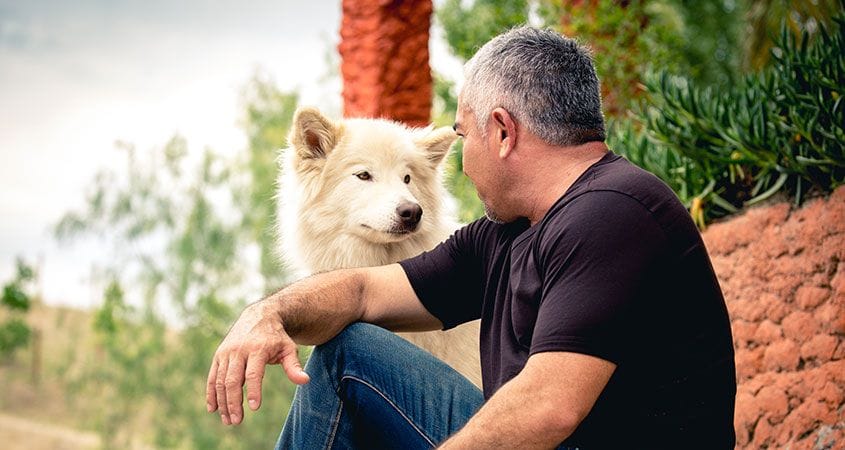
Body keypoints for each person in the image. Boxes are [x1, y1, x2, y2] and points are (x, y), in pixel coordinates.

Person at [206, 27, 737, 449]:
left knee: (348, 358)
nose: (458, 159)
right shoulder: (505, 236)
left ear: (503, 132)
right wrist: (269, 315)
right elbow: (365, 293)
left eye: (462, 135)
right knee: (348, 343)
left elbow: (549, 407)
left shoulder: (612, 213)